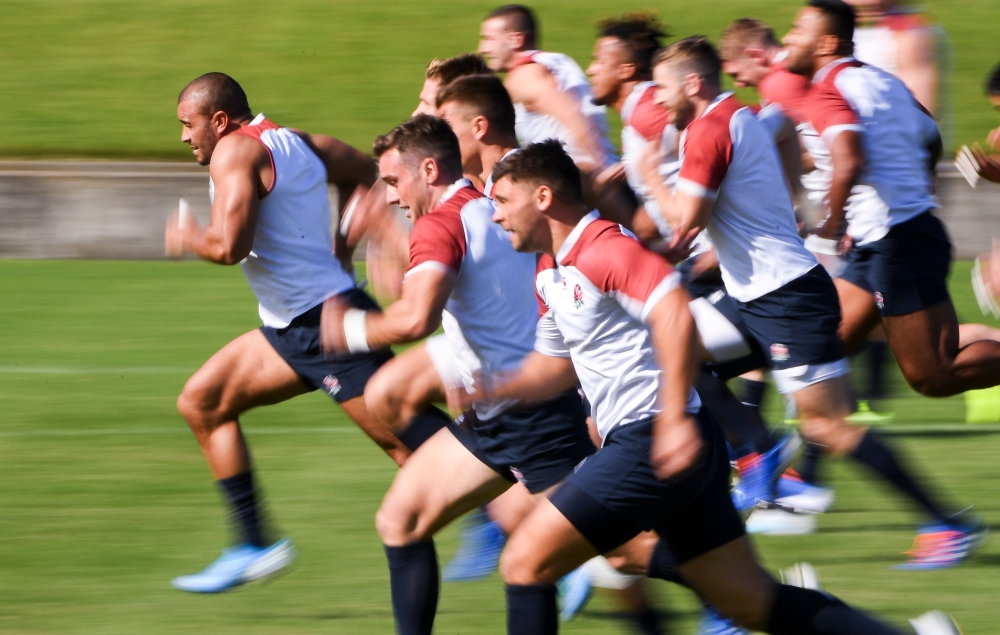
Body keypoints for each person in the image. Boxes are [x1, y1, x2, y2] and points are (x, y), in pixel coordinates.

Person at [484, 139, 958, 635]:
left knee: (524, 563)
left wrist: (670, 422)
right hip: (670, 444)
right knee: (749, 603)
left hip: (652, 441)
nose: (496, 216)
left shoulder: (604, 247)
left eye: (502, 201)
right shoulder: (550, 270)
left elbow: (672, 310)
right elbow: (554, 367)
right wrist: (488, 387)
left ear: (542, 197)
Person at [643, 36, 983, 568]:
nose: (657, 100)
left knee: (827, 425)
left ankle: (947, 522)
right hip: (761, 294)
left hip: (785, 301)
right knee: (673, 350)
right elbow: (782, 132)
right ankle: (757, 449)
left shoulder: (707, 130)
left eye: (661, 88)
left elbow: (683, 227)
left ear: (692, 83)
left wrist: (646, 175)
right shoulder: (742, 113)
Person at [163, 73, 450, 593]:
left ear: (219, 121)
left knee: (422, 454)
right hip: (291, 328)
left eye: (189, 124)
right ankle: (254, 544)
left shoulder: (233, 154)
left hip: (327, 329)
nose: (185, 137)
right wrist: (342, 244)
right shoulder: (297, 142)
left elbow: (229, 246)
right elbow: (364, 170)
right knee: (202, 402)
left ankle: (533, 513)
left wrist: (189, 237)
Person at [319, 116, 595, 635]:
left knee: (620, 552)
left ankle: (746, 598)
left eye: (395, 182)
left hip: (537, 417)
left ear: (428, 169)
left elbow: (415, 317)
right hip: (495, 414)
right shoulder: (491, 204)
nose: (394, 196)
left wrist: (349, 329)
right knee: (401, 521)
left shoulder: (440, 224)